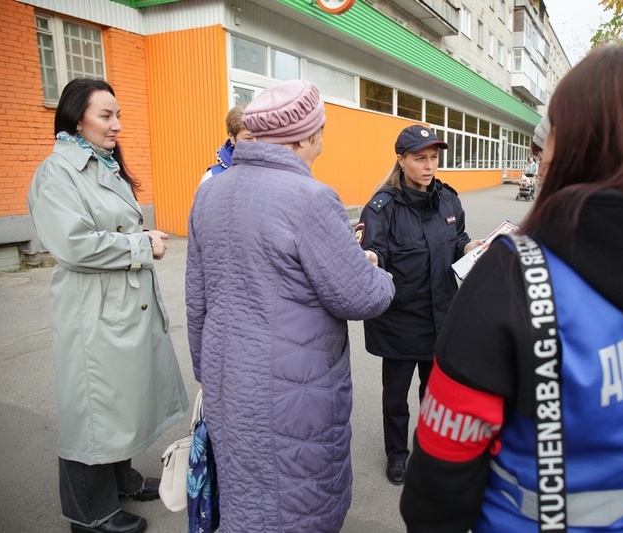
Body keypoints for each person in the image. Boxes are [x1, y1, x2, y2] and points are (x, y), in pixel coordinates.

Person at [400, 45, 623, 532]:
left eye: (546, 141)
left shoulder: (514, 278)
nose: (539, 160)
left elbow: (439, 480)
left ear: (572, 145)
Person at [186, 79, 394, 533]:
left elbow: (196, 297)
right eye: (321, 129)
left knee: (243, 498)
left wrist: (205, 368)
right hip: (293, 389)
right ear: (304, 137)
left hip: (227, 379)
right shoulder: (311, 199)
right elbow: (360, 295)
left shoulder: (210, 192)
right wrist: (378, 272)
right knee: (298, 502)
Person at [27, 78, 189, 533]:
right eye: (106, 115)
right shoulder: (57, 172)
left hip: (117, 305)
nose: (117, 124)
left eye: (118, 115)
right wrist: (142, 245)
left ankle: (120, 479)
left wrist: (140, 240)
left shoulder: (101, 163)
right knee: (93, 413)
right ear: (76, 119)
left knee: (119, 402)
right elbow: (73, 244)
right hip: (91, 311)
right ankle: (89, 513)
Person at [356, 125, 483, 486]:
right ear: (401, 160)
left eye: (434, 158)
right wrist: (370, 258)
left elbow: (456, 239)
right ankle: (397, 453)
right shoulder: (382, 207)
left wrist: (468, 247)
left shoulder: (448, 199)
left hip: (441, 316)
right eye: (420, 158)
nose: (429, 166)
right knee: (396, 397)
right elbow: (373, 250)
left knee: (436, 395)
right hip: (400, 319)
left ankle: (430, 450)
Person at [198, 102, 254, 186]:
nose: (256, 143)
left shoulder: (271, 171)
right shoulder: (212, 177)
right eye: (248, 138)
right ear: (232, 138)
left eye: (260, 137)